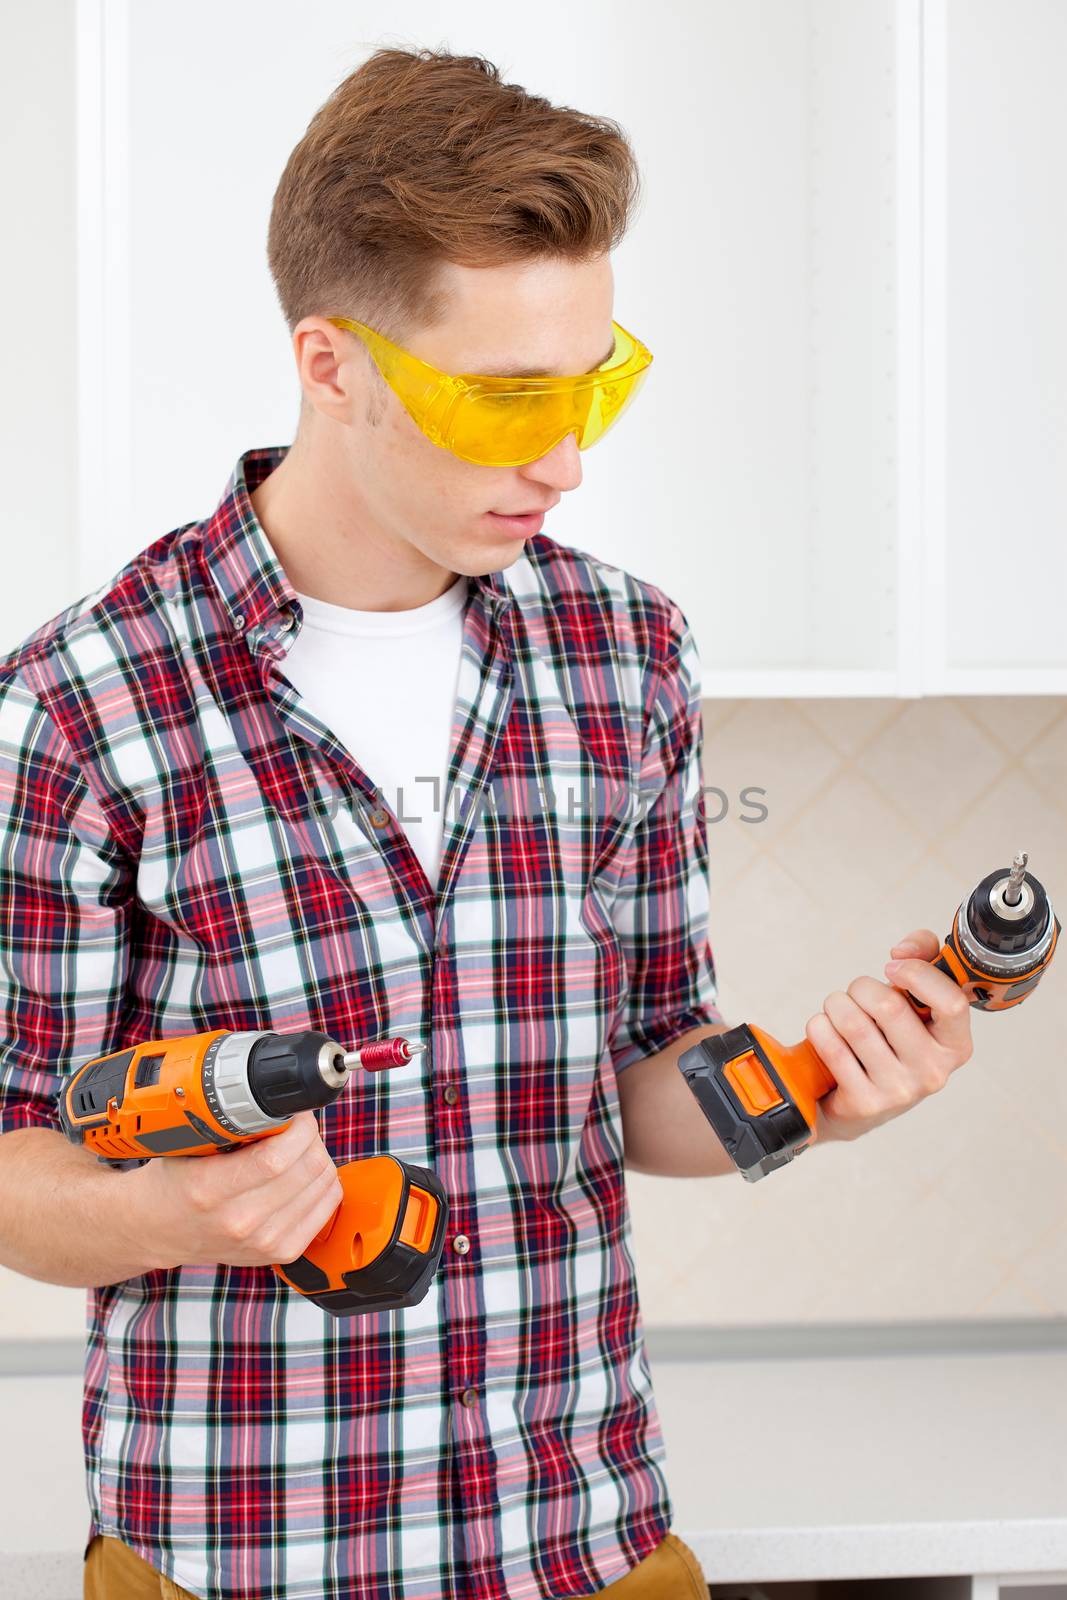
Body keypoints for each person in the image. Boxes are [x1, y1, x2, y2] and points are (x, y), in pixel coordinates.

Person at [0, 44, 973, 1600]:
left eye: (593, 383)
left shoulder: (626, 653)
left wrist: (811, 1097)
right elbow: (18, 1164)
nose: (567, 457)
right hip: (249, 1560)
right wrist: (181, 1211)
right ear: (331, 364)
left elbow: (652, 1073)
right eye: (507, 398)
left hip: (587, 1544)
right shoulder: (86, 699)